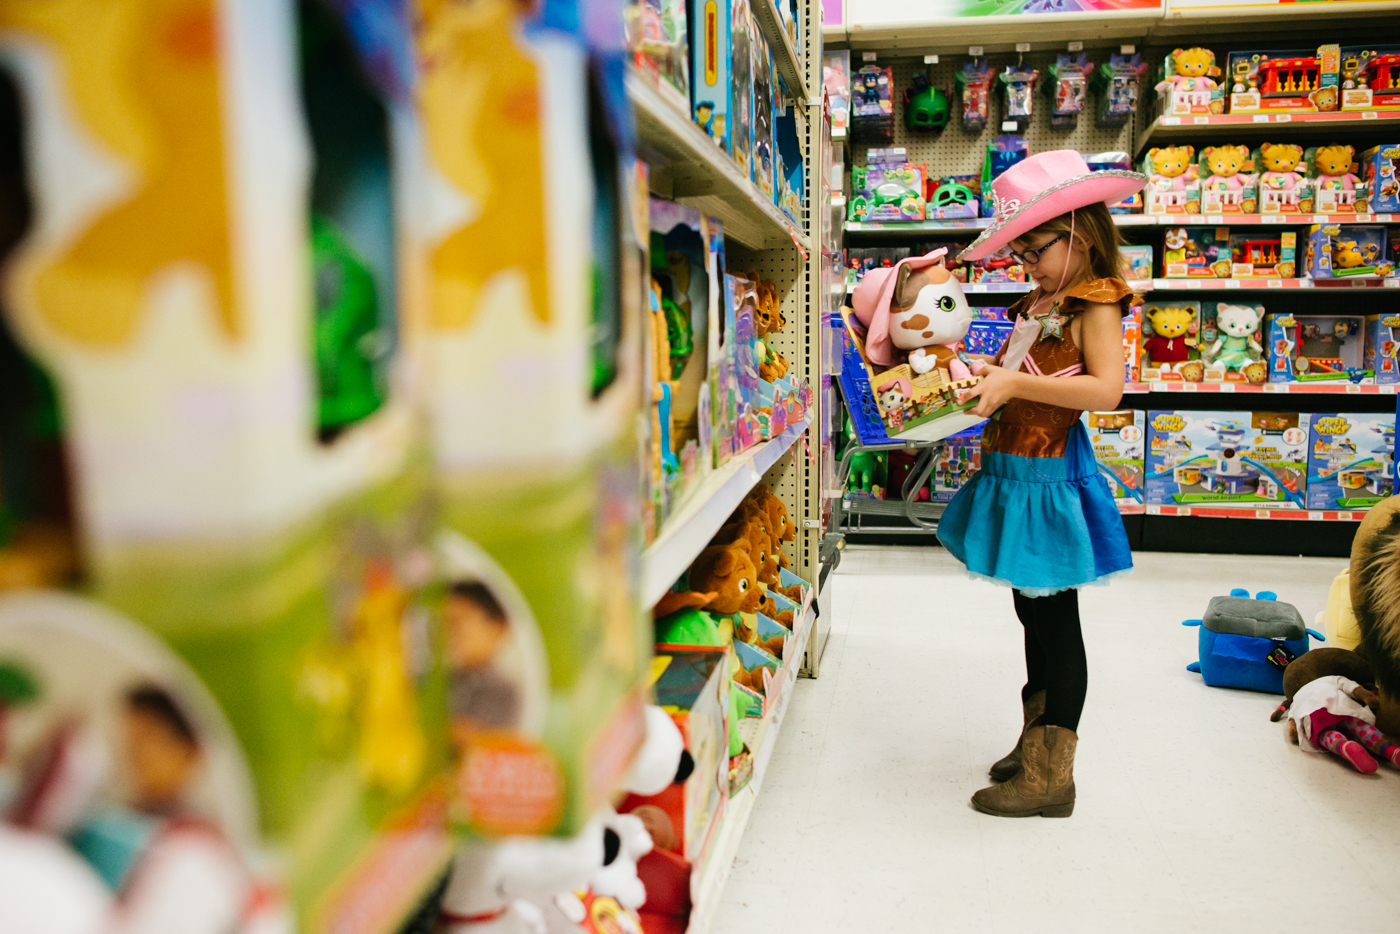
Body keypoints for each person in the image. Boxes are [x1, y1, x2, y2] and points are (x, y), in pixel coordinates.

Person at [936, 150, 1146, 818]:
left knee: (1056, 621)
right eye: (1020, 254)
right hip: (1016, 468)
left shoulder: (1097, 301)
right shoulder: (1042, 298)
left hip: (1049, 477)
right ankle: (1035, 741)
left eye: (1034, 250)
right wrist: (971, 372)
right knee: (1032, 612)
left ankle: (1053, 778)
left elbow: (1107, 390)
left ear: (1079, 233)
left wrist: (1013, 384)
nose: (1025, 265)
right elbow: (1017, 368)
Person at [445, 580, 521, 747]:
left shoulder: (504, 691)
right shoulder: (443, 678)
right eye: (447, 621)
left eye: (461, 620)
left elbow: (478, 741)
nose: (452, 630)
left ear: (498, 626)